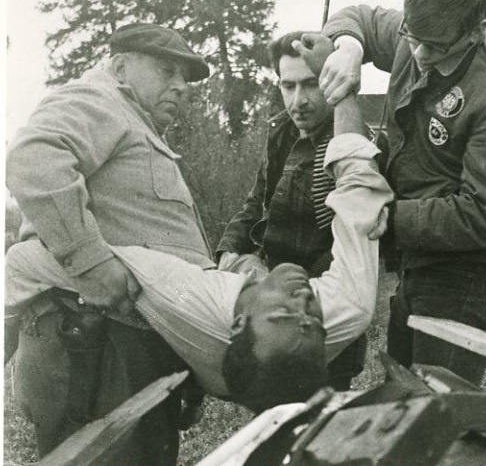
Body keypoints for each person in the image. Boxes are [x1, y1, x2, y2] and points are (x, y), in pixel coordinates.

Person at [6, 91, 393, 415]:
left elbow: (23, 261)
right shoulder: (347, 308)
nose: (304, 298)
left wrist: (14, 320)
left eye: (282, 314)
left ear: (237, 324)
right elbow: (359, 194)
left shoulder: (180, 290)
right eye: (315, 318)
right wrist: (342, 88)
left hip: (198, 327)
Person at [299, 0, 486, 385]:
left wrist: (389, 216)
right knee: (403, 399)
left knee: (434, 412)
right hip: (422, 266)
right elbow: (359, 17)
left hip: (472, 281)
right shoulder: (421, 32)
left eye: (435, 47)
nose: (417, 54)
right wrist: (349, 47)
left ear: (476, 30)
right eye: (411, 37)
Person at [5, 23, 213, 465]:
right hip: (93, 345)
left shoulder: (135, 120)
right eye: (166, 70)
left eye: (185, 78)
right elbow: (34, 157)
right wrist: (91, 262)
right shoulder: (101, 98)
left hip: (126, 344)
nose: (180, 86)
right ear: (120, 67)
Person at [215, 31, 380, 390]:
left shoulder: (351, 141)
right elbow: (256, 202)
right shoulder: (281, 135)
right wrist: (230, 251)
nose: (299, 100)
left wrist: (293, 290)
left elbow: (352, 234)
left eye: (311, 84)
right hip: (271, 301)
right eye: (288, 86)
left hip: (321, 306)